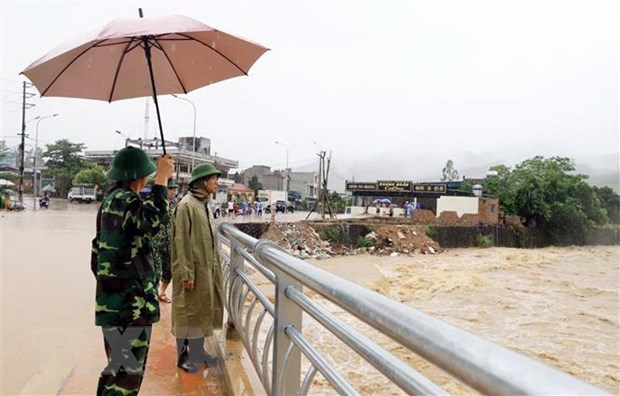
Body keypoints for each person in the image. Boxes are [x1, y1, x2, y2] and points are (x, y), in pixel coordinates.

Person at [91, 147, 174, 396]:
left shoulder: (110, 201)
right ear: (141, 176)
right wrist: (162, 179)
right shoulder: (125, 201)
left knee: (117, 370)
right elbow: (156, 219)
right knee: (126, 377)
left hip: (114, 303)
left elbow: (97, 257)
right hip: (131, 306)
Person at [171, 163, 224, 374]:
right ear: (202, 182)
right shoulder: (186, 206)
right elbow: (181, 241)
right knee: (186, 311)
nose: (216, 183)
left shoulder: (204, 205)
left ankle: (197, 351)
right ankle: (182, 356)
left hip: (206, 269)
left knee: (202, 309)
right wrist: (186, 273)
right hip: (191, 270)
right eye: (213, 179)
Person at [151, 179, 178, 304]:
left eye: (174, 189)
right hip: (155, 244)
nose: (173, 191)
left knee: (168, 271)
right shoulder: (155, 205)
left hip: (169, 244)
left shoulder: (174, 206)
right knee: (155, 270)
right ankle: (152, 295)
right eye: (171, 188)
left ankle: (161, 292)